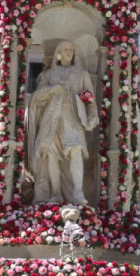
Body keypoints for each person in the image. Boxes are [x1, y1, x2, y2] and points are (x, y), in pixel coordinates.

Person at [26, 40, 98, 205]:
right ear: (58, 53)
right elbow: (36, 98)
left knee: (76, 150)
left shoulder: (82, 74)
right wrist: (52, 90)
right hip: (51, 119)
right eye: (65, 49)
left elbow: (90, 99)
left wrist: (92, 115)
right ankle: (56, 193)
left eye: (71, 50)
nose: (69, 52)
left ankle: (78, 193)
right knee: (51, 154)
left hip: (73, 117)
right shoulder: (48, 75)